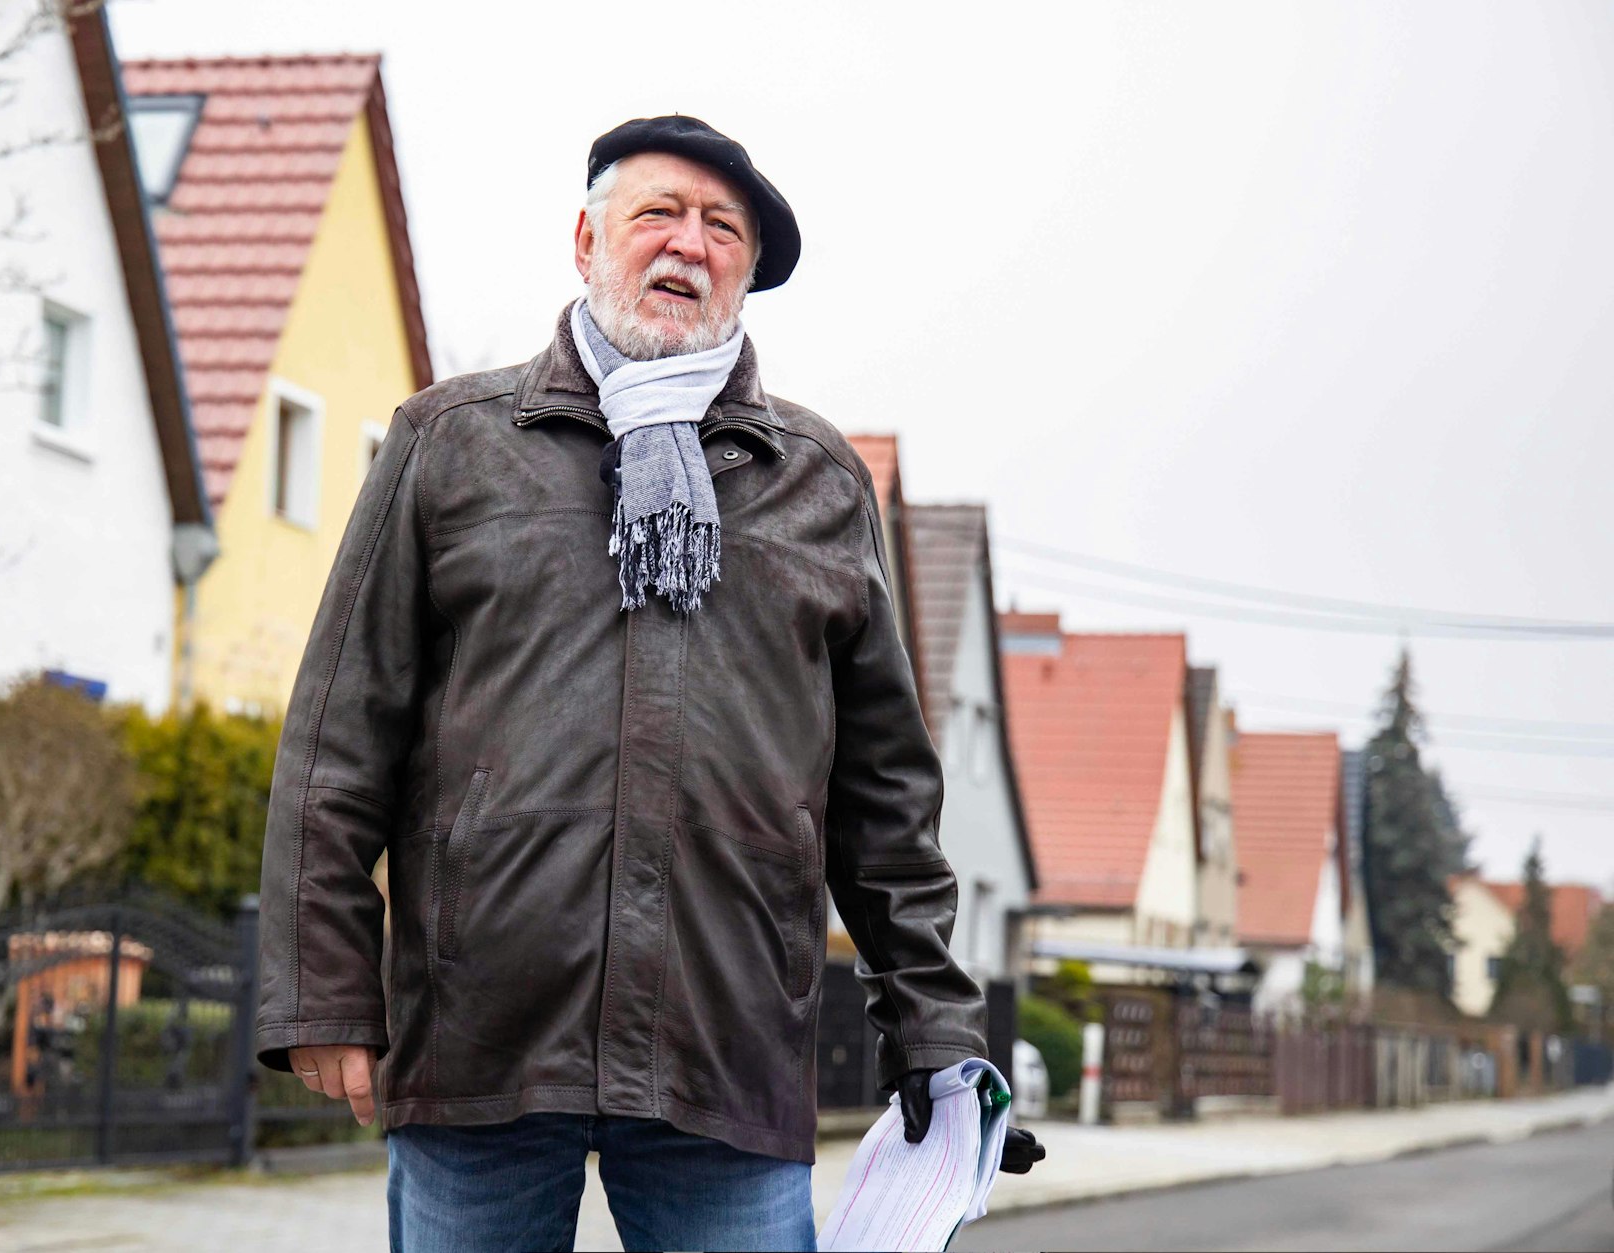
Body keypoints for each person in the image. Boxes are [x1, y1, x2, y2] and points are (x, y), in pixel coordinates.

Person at [255, 114, 1041, 1253]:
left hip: (724, 1051)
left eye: (722, 227)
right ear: (585, 240)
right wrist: (324, 992)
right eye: (657, 214)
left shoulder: (818, 484)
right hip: (480, 1034)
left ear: (747, 273)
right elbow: (336, 740)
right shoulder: (448, 443)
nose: (689, 244)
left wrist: (933, 1023)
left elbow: (883, 804)